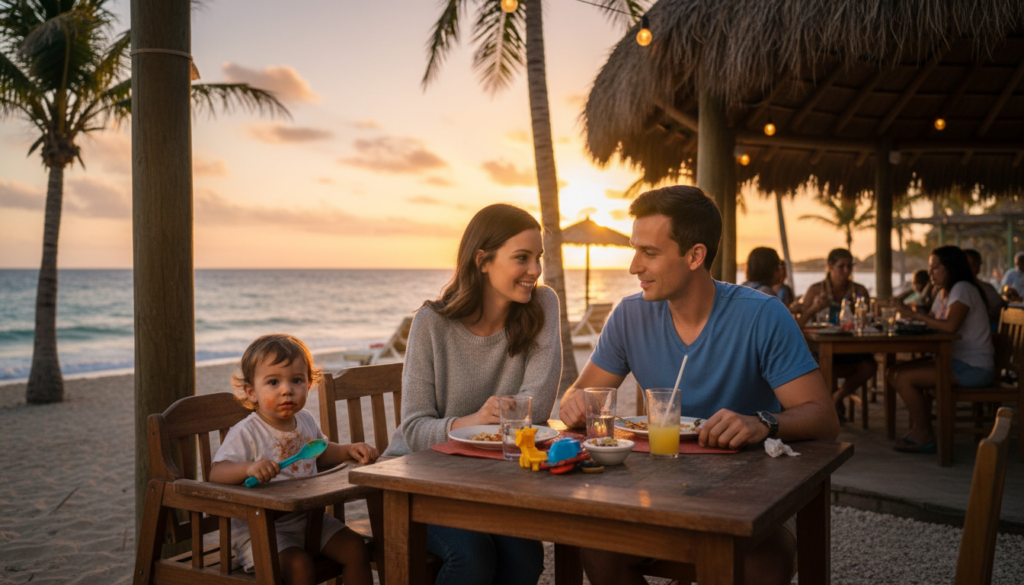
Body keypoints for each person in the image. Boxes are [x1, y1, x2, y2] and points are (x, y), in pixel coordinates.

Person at [557, 186, 838, 585]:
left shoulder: (763, 316)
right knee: (600, 551)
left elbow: (824, 418)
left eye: (649, 253)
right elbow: (579, 394)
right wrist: (575, 405)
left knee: (761, 566)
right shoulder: (628, 316)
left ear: (695, 256)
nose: (634, 266)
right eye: (634, 250)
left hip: (752, 496)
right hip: (656, 490)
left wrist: (762, 422)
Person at [382, 203, 560, 585]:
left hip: (490, 482)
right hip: (416, 481)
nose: (535, 270)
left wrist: (495, 422)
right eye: (522, 258)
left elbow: (537, 406)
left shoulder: (542, 305)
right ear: (483, 260)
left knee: (525, 557)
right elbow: (413, 429)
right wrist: (474, 421)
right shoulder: (431, 323)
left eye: (538, 258)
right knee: (472, 557)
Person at [210, 334, 377, 585]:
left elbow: (318, 452)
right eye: (273, 382)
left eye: (296, 380)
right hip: (262, 529)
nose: (287, 389)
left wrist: (345, 450)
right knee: (299, 566)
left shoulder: (306, 420)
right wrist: (248, 468)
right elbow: (216, 473)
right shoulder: (247, 432)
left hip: (310, 519)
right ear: (251, 392)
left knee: (355, 547)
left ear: (308, 385)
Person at [890, 246, 995, 453]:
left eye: (935, 267)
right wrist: (911, 314)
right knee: (893, 372)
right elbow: (931, 321)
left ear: (951, 268)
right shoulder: (944, 291)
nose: (930, 273)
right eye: (930, 268)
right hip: (955, 361)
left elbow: (949, 326)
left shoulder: (963, 288)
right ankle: (921, 427)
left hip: (974, 368)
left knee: (903, 377)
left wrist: (914, 315)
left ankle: (924, 433)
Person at [794, 248, 877, 422]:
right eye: (841, 266)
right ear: (830, 266)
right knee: (824, 364)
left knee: (870, 365)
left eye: (849, 266)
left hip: (852, 348)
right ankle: (833, 406)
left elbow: (870, 321)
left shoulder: (859, 291)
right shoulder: (816, 290)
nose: (846, 271)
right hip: (822, 349)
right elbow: (798, 325)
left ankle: (837, 397)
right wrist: (814, 308)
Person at [965, 248, 1006, 327]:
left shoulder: (986, 288)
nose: (971, 268)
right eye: (968, 265)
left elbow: (1002, 309)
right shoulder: (959, 287)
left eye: (973, 265)